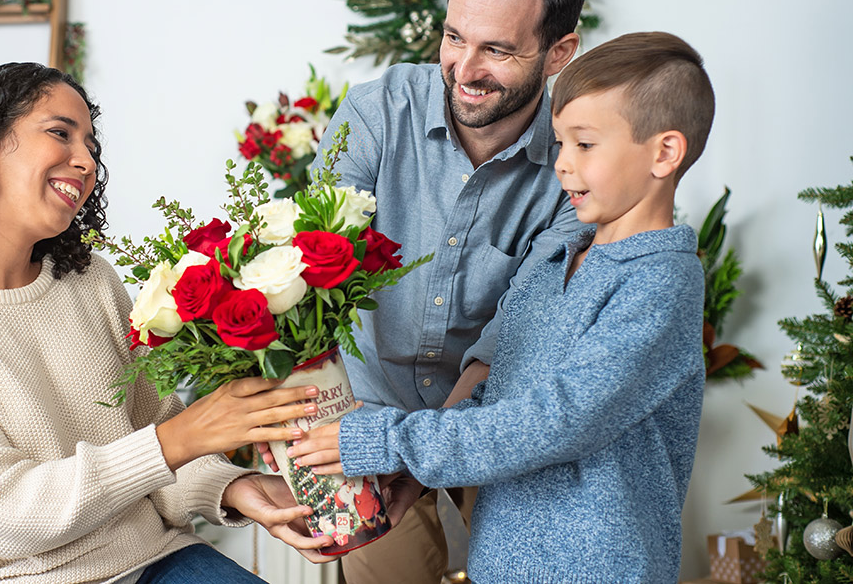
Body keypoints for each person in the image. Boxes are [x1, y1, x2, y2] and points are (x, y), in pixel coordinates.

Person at [0, 62, 332, 584]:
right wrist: (177, 439)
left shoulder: (91, 282)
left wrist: (234, 487)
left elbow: (156, 440)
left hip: (157, 560)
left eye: (91, 146)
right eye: (60, 133)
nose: (85, 162)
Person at [291, 31, 714, 582]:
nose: (562, 166)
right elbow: (497, 393)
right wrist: (411, 472)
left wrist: (385, 442)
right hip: (501, 564)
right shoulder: (557, 260)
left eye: (585, 145)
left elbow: (559, 420)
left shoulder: (661, 281)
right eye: (559, 143)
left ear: (665, 153)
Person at [292, 0, 591, 582]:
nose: (465, 68)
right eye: (455, 37)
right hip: (367, 412)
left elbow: (515, 335)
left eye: (498, 50)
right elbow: (314, 270)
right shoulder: (374, 113)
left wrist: (428, 452)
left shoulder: (577, 165)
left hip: (493, 423)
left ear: (559, 52)